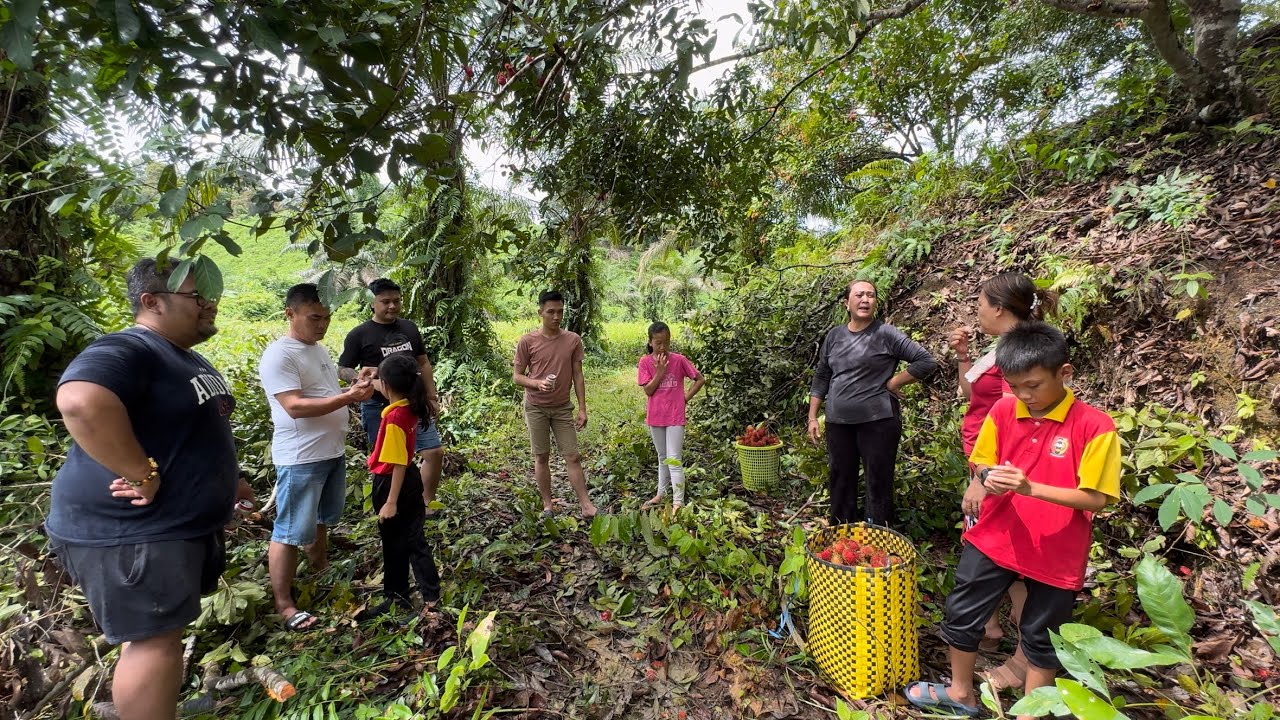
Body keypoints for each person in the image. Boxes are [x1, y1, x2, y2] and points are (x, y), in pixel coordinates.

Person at [45, 258, 253, 720]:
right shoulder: (130, 347)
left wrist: (231, 480)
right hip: (134, 530)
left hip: (167, 529)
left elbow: (194, 427)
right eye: (198, 296)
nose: (210, 304)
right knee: (153, 644)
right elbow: (80, 401)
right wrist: (142, 473)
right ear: (151, 301)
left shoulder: (181, 355)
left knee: (164, 637)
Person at [905, 321, 1121, 719]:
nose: (1024, 395)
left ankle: (1029, 713)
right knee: (962, 613)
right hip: (996, 535)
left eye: (1034, 385)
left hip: (1056, 549)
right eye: (1015, 385)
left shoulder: (1095, 426)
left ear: (1065, 373)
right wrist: (985, 478)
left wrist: (1029, 487)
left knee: (1042, 637)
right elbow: (984, 459)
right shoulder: (1006, 409)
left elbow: (1097, 497)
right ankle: (961, 693)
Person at [948, 272, 1056, 689]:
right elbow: (970, 397)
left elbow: (1025, 422)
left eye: (979, 304)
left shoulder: (1023, 355)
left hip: (1001, 473)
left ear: (998, 308)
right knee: (990, 549)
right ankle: (993, 630)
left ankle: (1024, 659)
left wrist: (985, 476)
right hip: (984, 464)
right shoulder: (998, 350)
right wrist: (962, 357)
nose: (976, 311)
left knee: (1011, 557)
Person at [259, 283, 374, 631]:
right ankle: (284, 604)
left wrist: (351, 391)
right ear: (290, 314)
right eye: (314, 317)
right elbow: (293, 406)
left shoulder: (318, 350)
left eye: (326, 317)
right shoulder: (281, 355)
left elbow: (326, 394)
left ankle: (320, 571)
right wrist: (348, 399)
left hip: (330, 452)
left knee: (322, 519)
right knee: (290, 530)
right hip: (300, 457)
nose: (322, 324)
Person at [807, 279, 937, 526]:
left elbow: (925, 361)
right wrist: (813, 417)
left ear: (876, 302)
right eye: (859, 295)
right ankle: (840, 533)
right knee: (840, 479)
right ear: (847, 303)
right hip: (838, 422)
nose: (865, 299)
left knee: (877, 481)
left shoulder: (885, 333)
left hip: (878, 422)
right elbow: (822, 376)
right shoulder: (834, 336)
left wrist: (894, 383)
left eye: (870, 295)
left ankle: (878, 535)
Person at [338, 278, 446, 513]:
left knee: (433, 452)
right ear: (372, 303)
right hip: (379, 408)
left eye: (396, 301)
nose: (392, 306)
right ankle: (390, 506)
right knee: (389, 461)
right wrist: (361, 379)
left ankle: (424, 503)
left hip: (414, 403)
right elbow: (343, 368)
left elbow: (423, 362)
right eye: (385, 301)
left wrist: (432, 396)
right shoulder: (359, 334)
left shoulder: (409, 328)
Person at [359, 353, 442, 622]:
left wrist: (390, 501)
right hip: (411, 481)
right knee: (411, 538)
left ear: (387, 385)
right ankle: (416, 595)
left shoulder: (393, 418)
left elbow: (396, 463)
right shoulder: (408, 408)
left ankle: (410, 597)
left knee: (398, 541)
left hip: (394, 485)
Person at [512, 290, 597, 519]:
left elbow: (578, 375)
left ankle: (586, 504)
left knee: (573, 456)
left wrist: (582, 408)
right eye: (551, 312)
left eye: (560, 312)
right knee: (542, 456)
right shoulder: (527, 342)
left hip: (562, 407)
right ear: (540, 312)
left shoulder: (572, 340)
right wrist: (537, 383)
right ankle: (548, 504)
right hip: (536, 406)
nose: (556, 316)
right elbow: (517, 376)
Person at [637, 321, 705, 511]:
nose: (663, 347)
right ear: (650, 342)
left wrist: (685, 398)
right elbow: (648, 391)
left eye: (666, 342)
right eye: (658, 343)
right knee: (662, 457)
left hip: (675, 416)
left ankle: (678, 502)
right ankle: (661, 493)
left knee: (674, 458)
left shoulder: (679, 360)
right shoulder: (644, 362)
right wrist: (659, 371)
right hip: (656, 416)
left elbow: (699, 379)